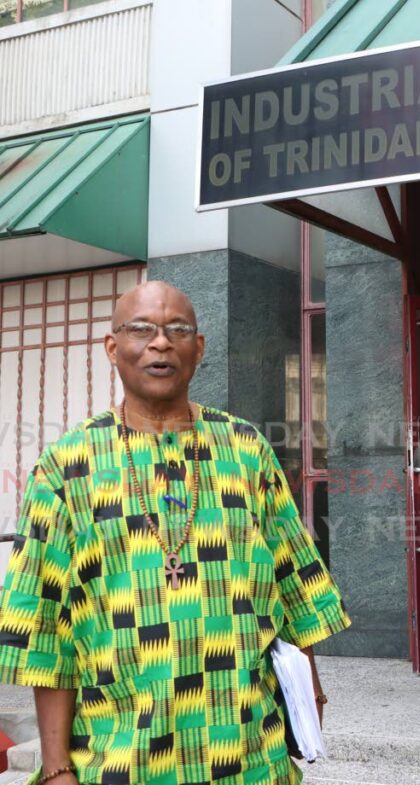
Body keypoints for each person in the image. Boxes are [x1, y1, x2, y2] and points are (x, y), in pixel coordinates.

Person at [0, 282, 350, 785]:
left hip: (248, 755)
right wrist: (56, 769)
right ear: (113, 347)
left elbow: (294, 584)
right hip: (120, 757)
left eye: (177, 330)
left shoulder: (246, 448)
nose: (160, 343)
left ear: (199, 348)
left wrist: (310, 700)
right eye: (141, 330)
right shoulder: (66, 466)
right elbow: (45, 627)